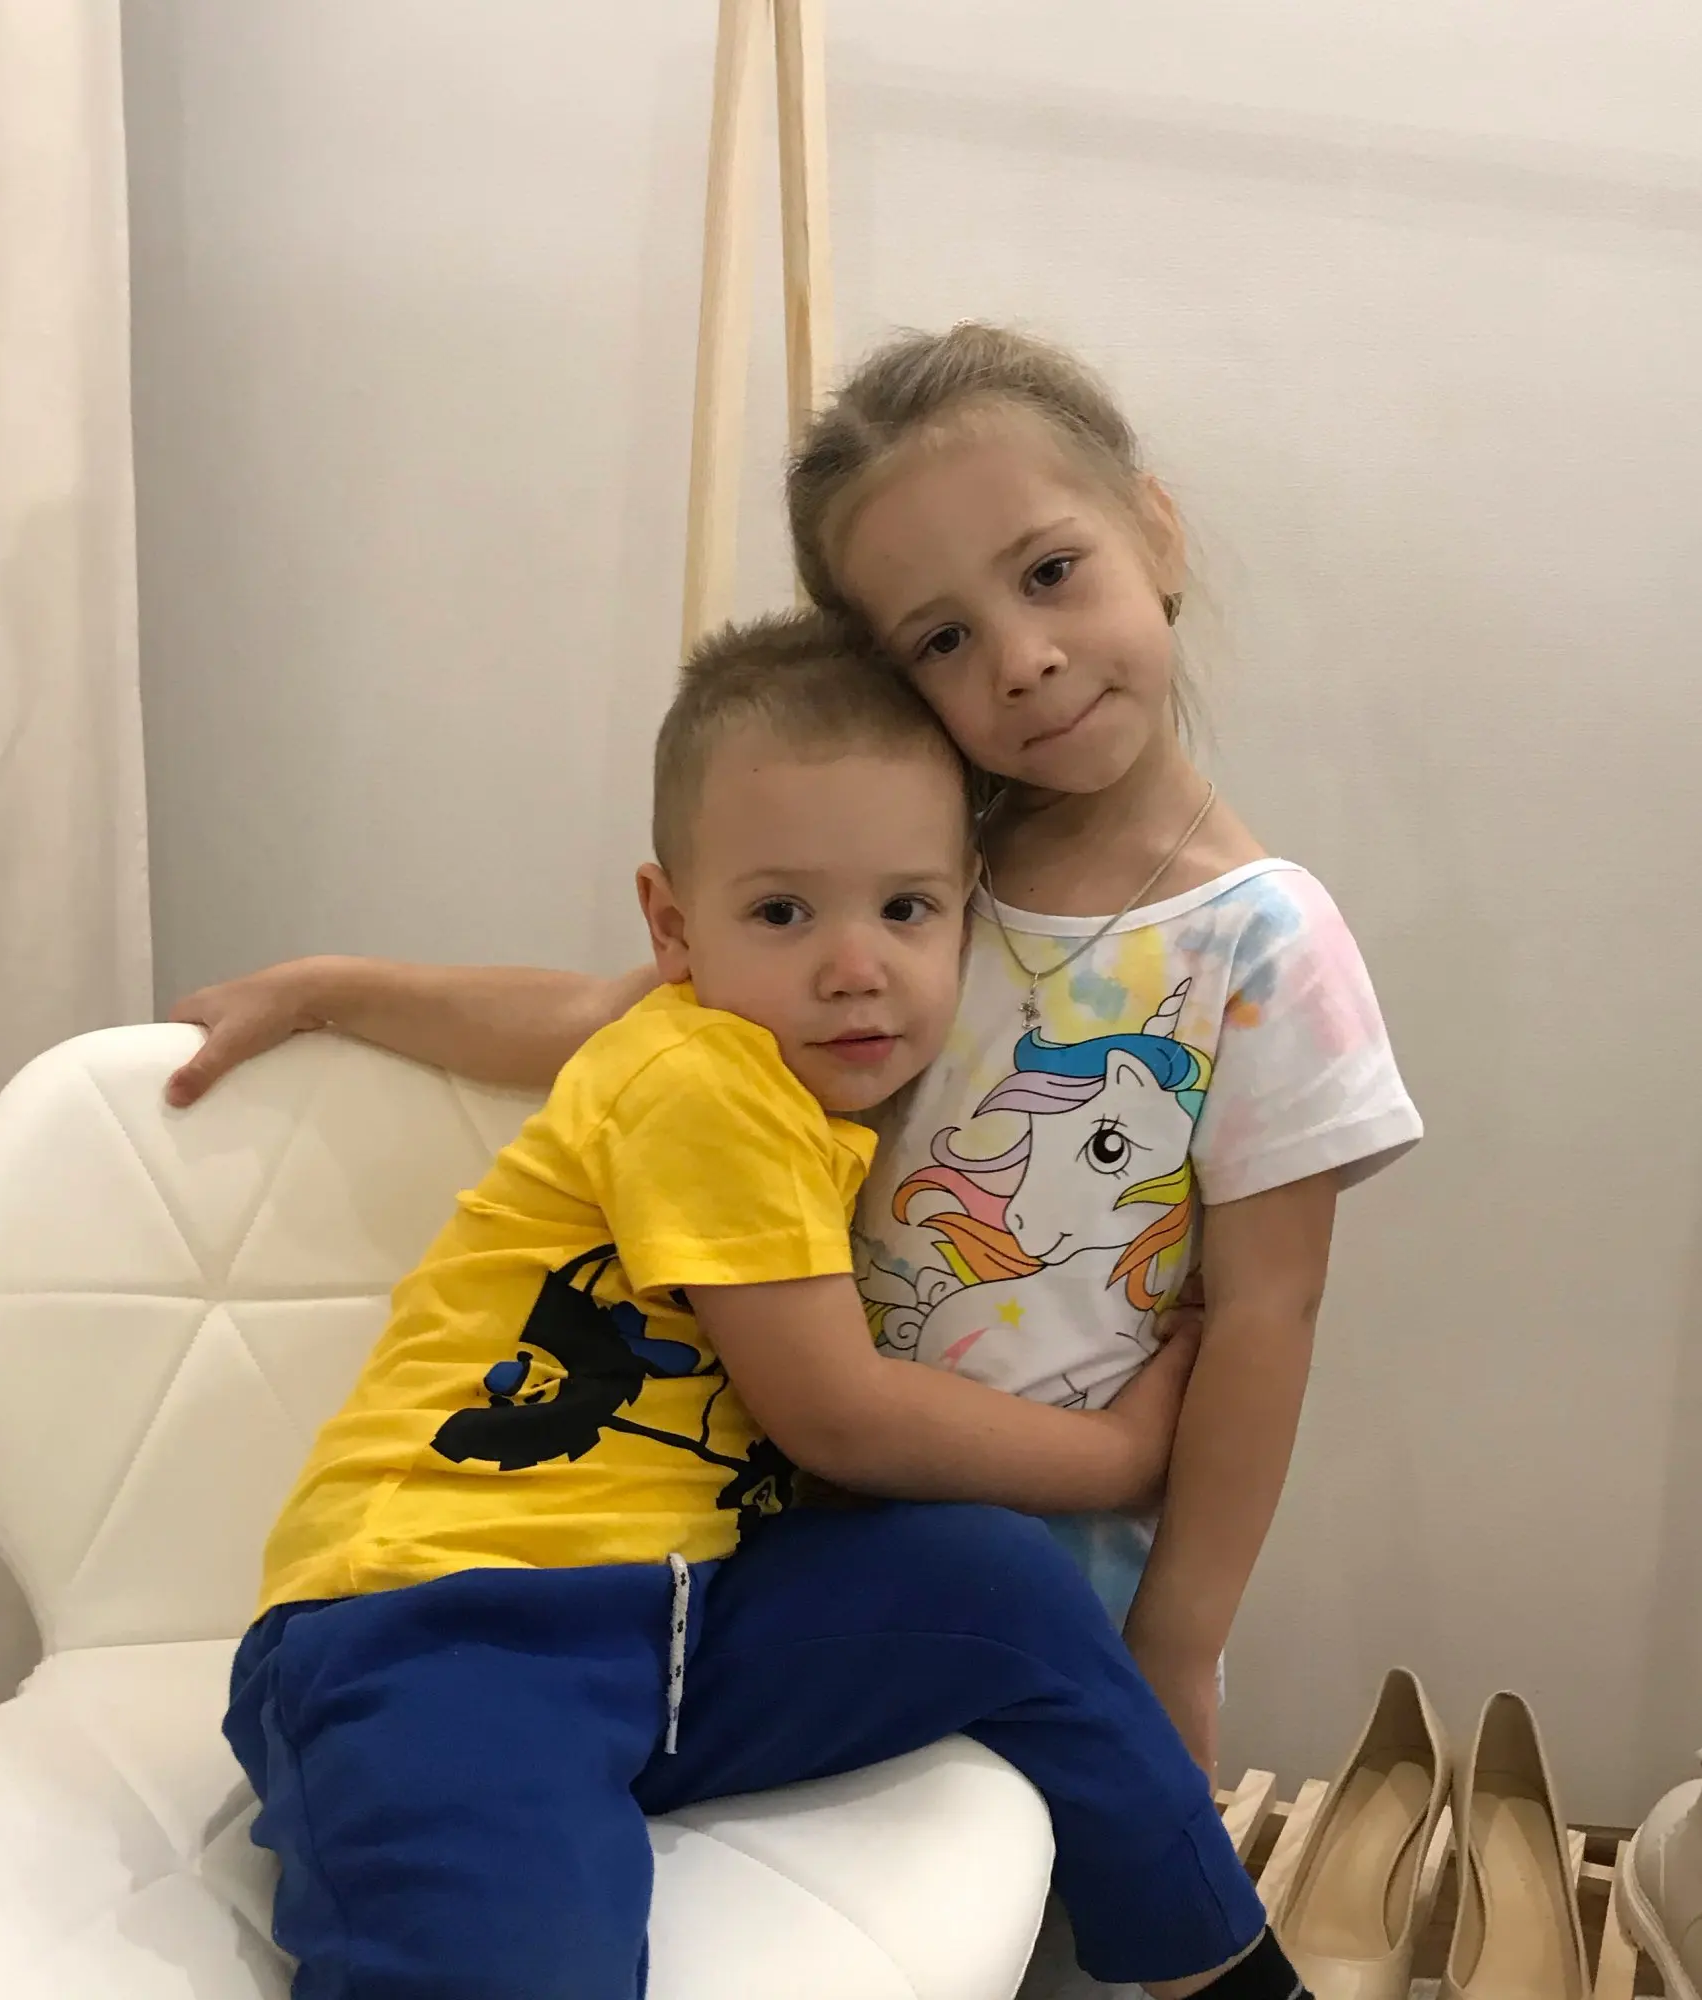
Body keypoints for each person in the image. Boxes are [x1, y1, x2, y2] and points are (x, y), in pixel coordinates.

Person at [175, 324, 1420, 1777]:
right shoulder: (902, 882)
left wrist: (1182, 1642)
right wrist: (331, 989)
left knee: (1049, 1888)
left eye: (1049, 572)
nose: (1023, 661)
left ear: (1155, 529)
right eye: (942, 640)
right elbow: (605, 1017)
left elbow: (1266, 1319)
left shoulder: (1262, 945)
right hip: (782, 1549)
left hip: (1059, 1567)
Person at [223, 609, 1312, 2000]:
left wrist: (335, 989)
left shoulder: (765, 1063)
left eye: (905, 909)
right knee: (517, 1961)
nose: (855, 965)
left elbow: (559, 1009)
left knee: (999, 1585)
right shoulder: (705, 1082)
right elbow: (836, 1416)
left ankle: (1223, 1973)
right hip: (443, 1625)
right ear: (675, 927)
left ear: (966, 911)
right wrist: (1119, 1456)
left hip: (684, 1621)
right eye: (784, 913)